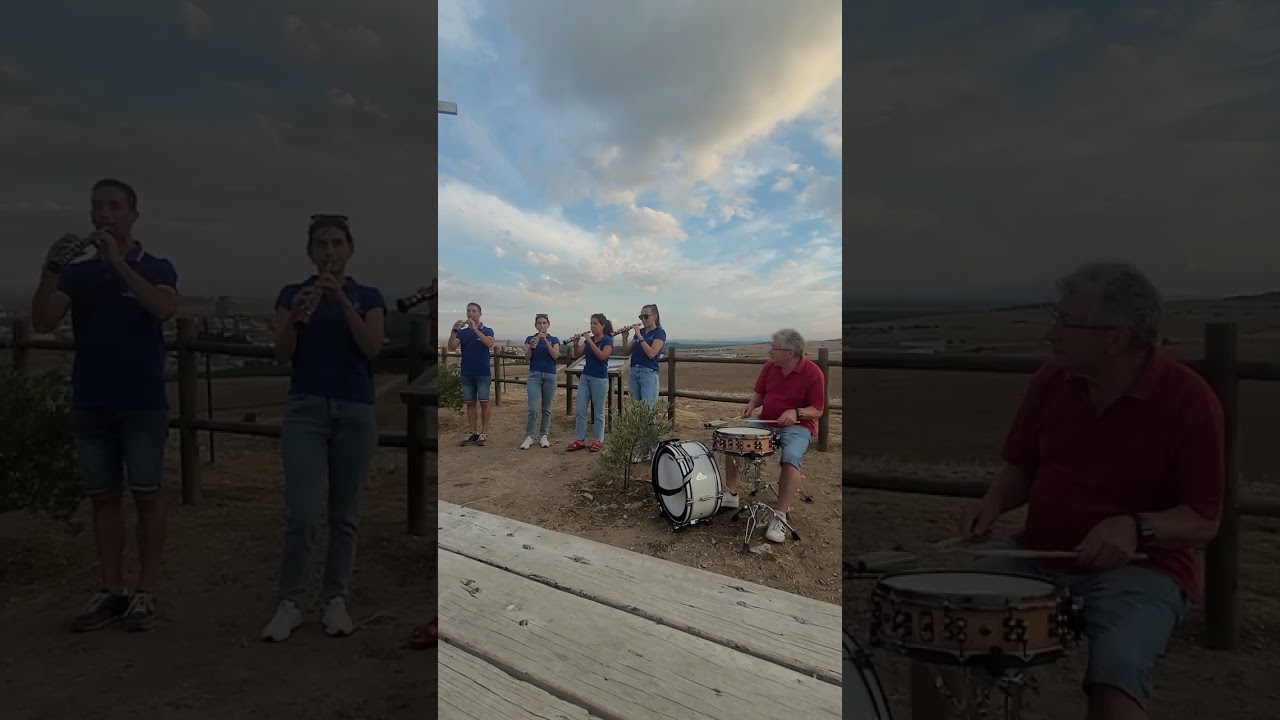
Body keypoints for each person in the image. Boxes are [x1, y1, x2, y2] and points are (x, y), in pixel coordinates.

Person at [917, 262, 1225, 720]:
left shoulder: (1189, 400)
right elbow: (1022, 465)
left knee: (1118, 674)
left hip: (1144, 573)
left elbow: (1204, 519)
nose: (1050, 332)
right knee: (935, 629)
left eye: (1064, 321)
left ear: (1115, 339)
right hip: (1037, 554)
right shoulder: (1052, 380)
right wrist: (993, 504)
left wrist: (1137, 527)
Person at [30, 178, 179, 633]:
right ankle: (111, 590)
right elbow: (44, 320)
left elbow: (163, 307)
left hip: (142, 402)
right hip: (92, 401)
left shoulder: (156, 266)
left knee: (148, 496)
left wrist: (119, 265)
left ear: (134, 214)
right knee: (103, 501)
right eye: (98, 207)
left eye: (114, 206)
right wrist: (50, 270)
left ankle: (146, 591)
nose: (104, 214)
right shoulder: (78, 274)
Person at [261, 214, 386, 642]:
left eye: (336, 244)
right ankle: (291, 602)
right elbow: (280, 355)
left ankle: (335, 599)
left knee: (344, 514)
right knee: (301, 512)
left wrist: (343, 303)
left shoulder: (368, 297)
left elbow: (371, 349)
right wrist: (296, 314)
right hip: (305, 411)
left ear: (349, 249)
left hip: (354, 410)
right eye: (322, 245)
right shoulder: (292, 295)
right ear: (311, 252)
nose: (330, 252)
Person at [719, 328, 825, 543]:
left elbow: (818, 409)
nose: (769, 351)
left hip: (799, 426)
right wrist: (751, 405)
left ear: (790, 353)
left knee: (791, 458)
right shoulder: (770, 367)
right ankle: (730, 493)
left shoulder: (813, 373)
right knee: (734, 439)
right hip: (766, 420)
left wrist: (797, 412)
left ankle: (780, 515)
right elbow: (760, 393)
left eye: (773, 347)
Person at [447, 302, 496, 446]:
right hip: (467, 373)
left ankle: (484, 433)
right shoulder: (462, 332)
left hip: (482, 373)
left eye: (474, 311)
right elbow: (451, 347)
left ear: (480, 314)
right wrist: (453, 331)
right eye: (468, 311)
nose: (470, 313)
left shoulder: (487, 330)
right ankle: (473, 433)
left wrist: (475, 330)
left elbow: (489, 343)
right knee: (470, 404)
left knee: (484, 402)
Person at [622, 304, 667, 460]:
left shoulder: (659, 333)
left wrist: (639, 336)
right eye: (640, 317)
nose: (642, 319)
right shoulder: (639, 333)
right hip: (635, 372)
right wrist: (624, 336)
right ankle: (642, 449)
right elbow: (626, 351)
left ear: (655, 316)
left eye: (645, 316)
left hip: (648, 373)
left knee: (648, 413)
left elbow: (652, 353)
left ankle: (652, 450)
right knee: (638, 413)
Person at [566, 313, 614, 453]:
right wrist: (576, 343)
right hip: (585, 377)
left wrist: (590, 341)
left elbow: (602, 356)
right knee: (580, 409)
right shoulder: (589, 340)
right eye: (591, 324)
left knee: (598, 411)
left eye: (595, 324)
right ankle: (580, 439)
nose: (592, 326)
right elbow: (578, 354)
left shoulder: (607, 340)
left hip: (599, 378)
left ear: (602, 325)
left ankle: (598, 440)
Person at [521, 314, 560, 449]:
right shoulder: (529, 339)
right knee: (533, 408)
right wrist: (532, 346)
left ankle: (544, 435)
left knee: (546, 408)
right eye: (539, 323)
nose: (542, 325)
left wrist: (546, 342)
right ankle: (529, 436)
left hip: (549, 375)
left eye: (544, 323)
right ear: (536, 325)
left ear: (548, 325)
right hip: (534, 375)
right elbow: (526, 358)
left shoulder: (554, 339)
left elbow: (555, 356)